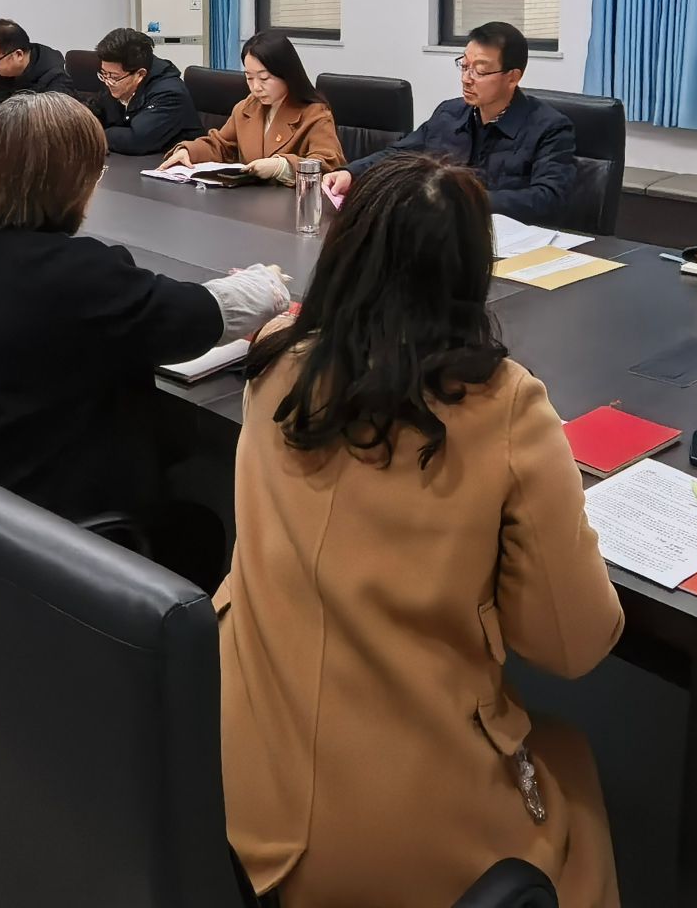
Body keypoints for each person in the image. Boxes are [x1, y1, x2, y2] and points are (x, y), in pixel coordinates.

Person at [218, 153, 623, 908]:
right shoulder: (505, 404)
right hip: (390, 829)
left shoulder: (278, 365)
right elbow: (571, 644)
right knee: (578, 794)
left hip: (242, 765)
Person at [0, 91, 287, 582]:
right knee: (201, 528)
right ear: (72, 182)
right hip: (50, 530)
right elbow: (197, 317)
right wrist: (267, 286)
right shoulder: (80, 274)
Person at [324, 21, 575, 224]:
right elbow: (399, 154)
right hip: (446, 236)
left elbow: (548, 198)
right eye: (464, 66)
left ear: (512, 77)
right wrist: (351, 172)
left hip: (513, 247)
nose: (466, 78)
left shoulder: (549, 128)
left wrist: (464, 199)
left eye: (480, 70)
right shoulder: (449, 113)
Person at [161, 30, 345, 183]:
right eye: (249, 78)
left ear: (287, 74)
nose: (256, 87)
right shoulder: (246, 108)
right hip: (247, 202)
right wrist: (188, 151)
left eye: (264, 78)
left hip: (292, 205)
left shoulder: (314, 113)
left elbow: (329, 164)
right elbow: (221, 145)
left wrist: (283, 166)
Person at [89, 26, 204, 156]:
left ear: (140, 74)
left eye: (114, 77)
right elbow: (96, 111)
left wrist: (95, 134)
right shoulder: (116, 77)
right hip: (130, 161)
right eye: (104, 74)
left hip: (169, 163)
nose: (108, 82)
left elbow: (137, 140)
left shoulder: (170, 93)